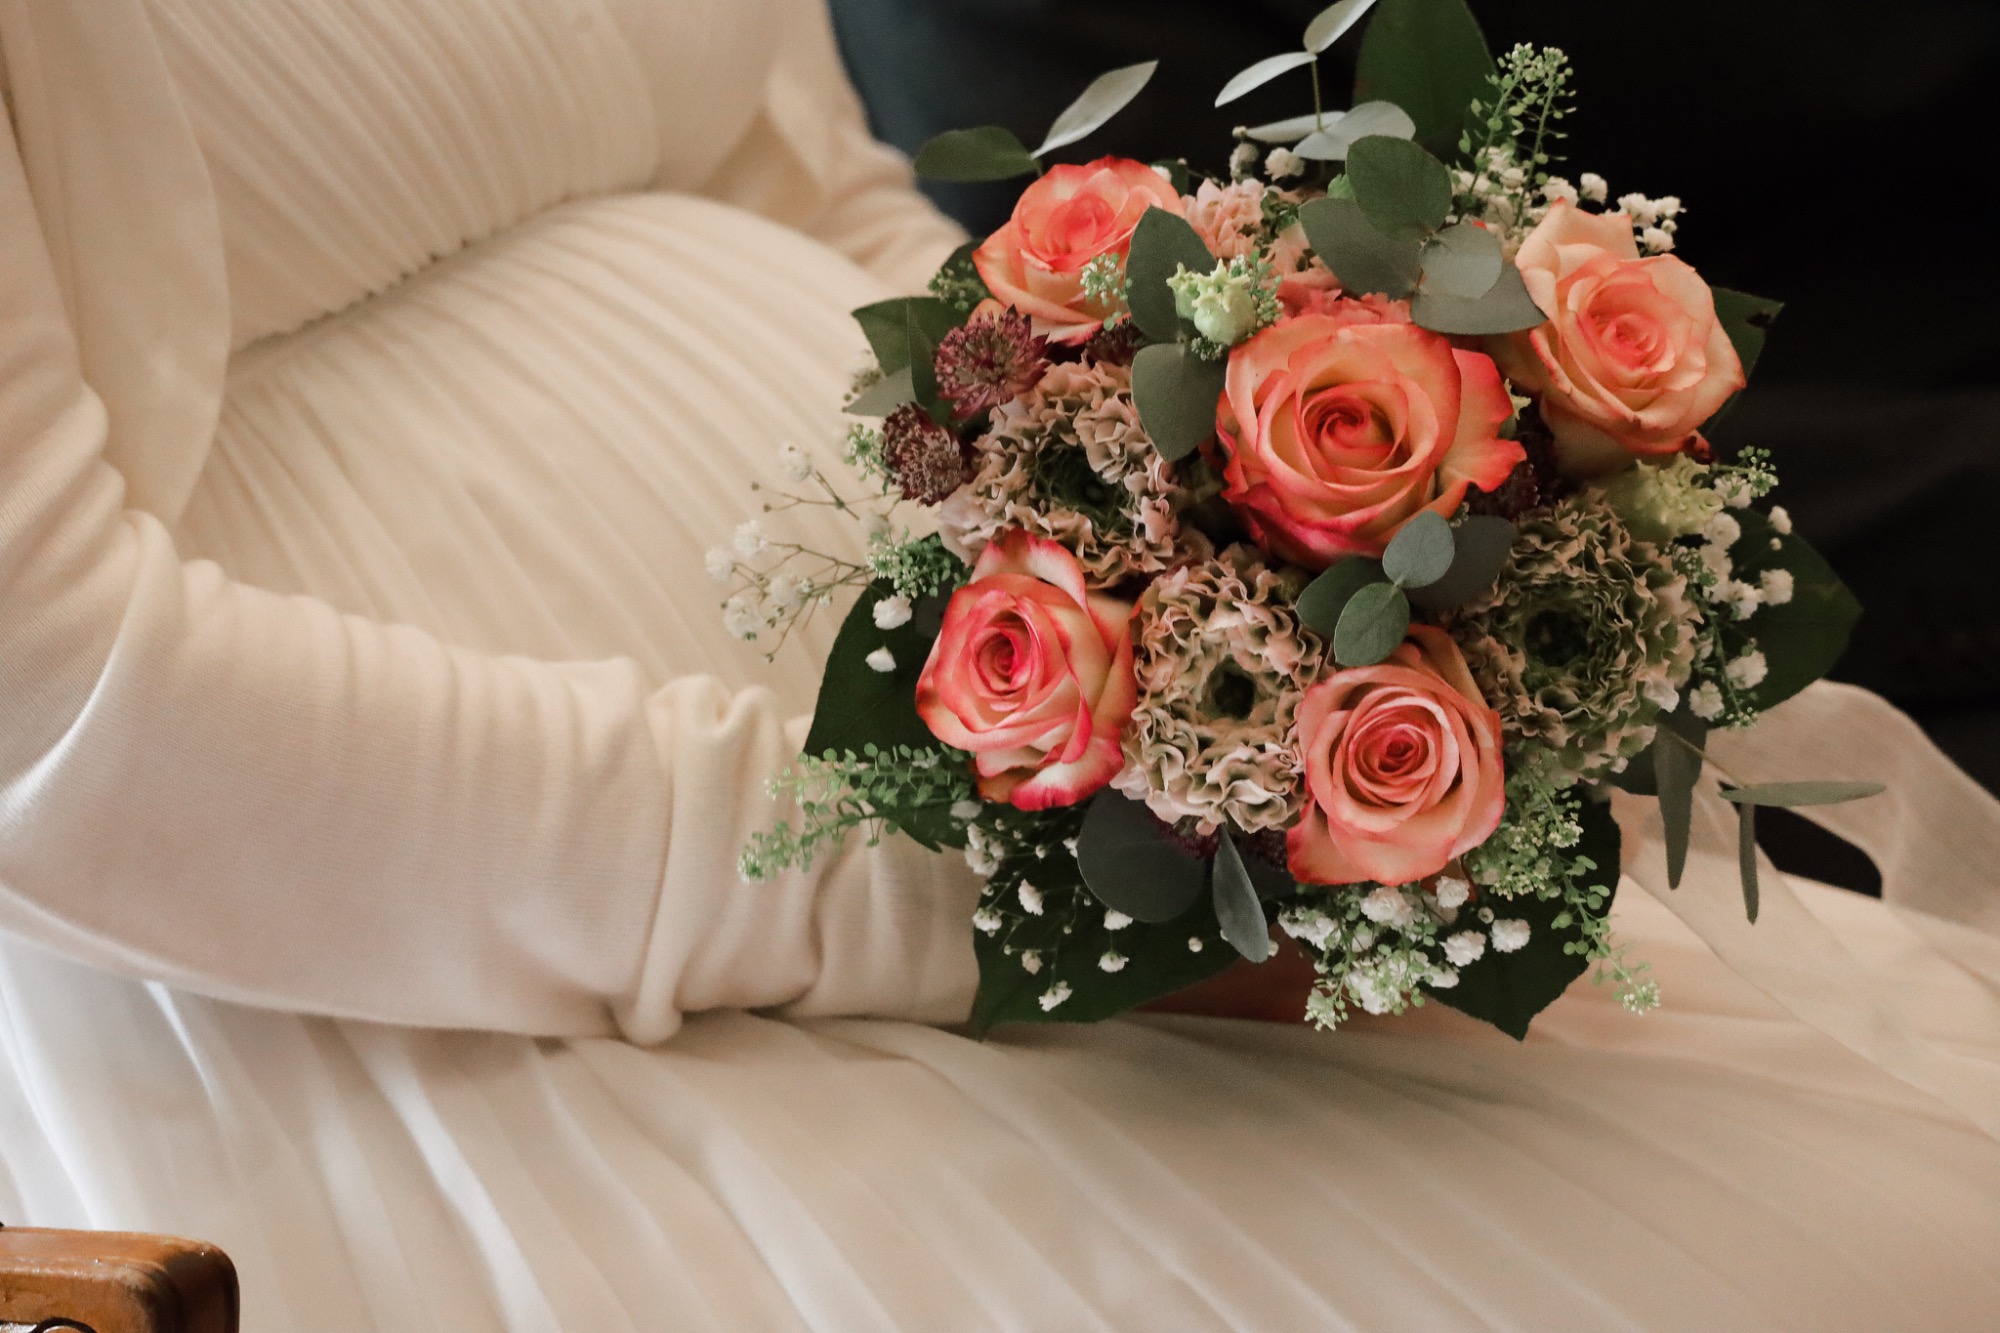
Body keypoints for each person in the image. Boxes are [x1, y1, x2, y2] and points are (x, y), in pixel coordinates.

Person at [0, 2, 1995, 1328]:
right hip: (419, 962)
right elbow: (70, 716)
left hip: (1027, 771)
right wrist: (950, 894)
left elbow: (803, 176)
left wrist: (1157, 519)